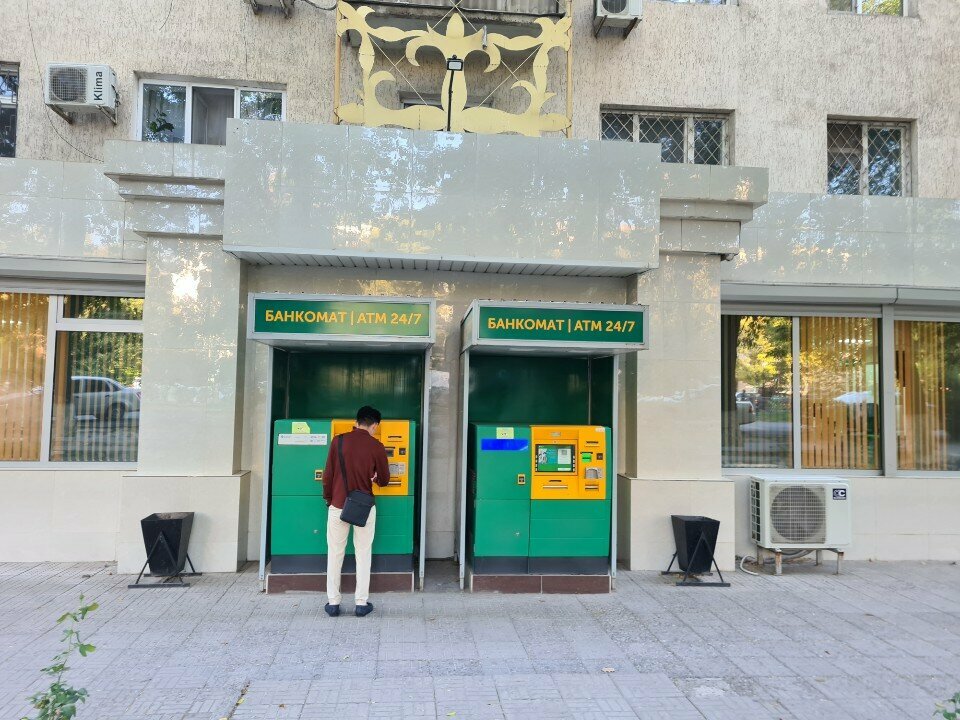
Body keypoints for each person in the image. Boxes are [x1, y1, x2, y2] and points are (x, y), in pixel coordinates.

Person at [322, 405, 390, 618]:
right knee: (363, 553)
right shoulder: (377, 446)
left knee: (335, 553)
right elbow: (385, 480)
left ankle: (333, 603)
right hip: (364, 507)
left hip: (338, 504)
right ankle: (361, 603)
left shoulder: (338, 441)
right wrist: (374, 477)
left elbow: (328, 475)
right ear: (375, 425)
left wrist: (329, 500)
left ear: (356, 421)